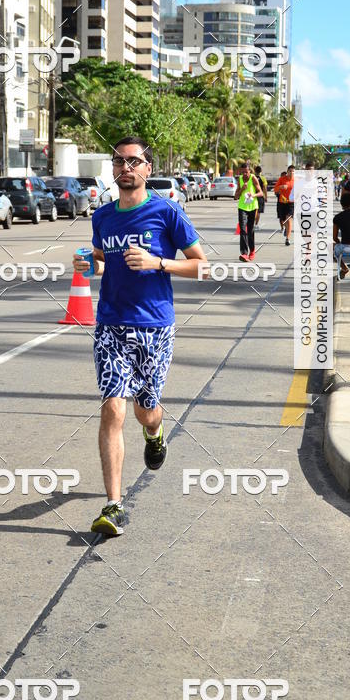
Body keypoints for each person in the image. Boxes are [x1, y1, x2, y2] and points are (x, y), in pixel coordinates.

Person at [73, 136, 207, 537]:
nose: (126, 167)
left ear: (148, 169)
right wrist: (87, 263)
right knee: (113, 408)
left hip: (155, 326)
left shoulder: (167, 212)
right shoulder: (103, 217)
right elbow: (102, 262)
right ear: (113, 170)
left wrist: (157, 262)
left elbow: (202, 266)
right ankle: (113, 506)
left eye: (134, 161)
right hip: (111, 323)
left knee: (145, 409)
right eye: (119, 161)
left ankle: (155, 431)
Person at [234, 160, 263, 262]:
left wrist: (253, 195)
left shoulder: (253, 178)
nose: (245, 174)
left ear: (250, 171)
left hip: (252, 207)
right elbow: (236, 196)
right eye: (243, 172)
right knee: (243, 229)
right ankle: (244, 253)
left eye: (246, 172)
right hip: (242, 207)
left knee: (250, 231)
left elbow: (261, 193)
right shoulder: (240, 179)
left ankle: (252, 251)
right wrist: (242, 188)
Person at [274, 165, 295, 246]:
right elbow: (275, 189)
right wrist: (281, 187)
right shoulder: (282, 179)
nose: (291, 173)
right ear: (287, 172)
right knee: (282, 220)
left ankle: (288, 239)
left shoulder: (297, 180)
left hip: (291, 203)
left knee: (288, 219)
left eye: (293, 171)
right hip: (282, 202)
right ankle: (286, 228)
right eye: (290, 171)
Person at [254, 164, 267, 228]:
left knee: (253, 210)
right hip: (260, 196)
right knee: (258, 211)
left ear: (254, 171)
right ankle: (256, 224)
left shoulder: (252, 177)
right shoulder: (263, 178)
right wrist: (266, 197)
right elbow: (264, 188)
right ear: (261, 171)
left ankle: (252, 223)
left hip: (253, 195)